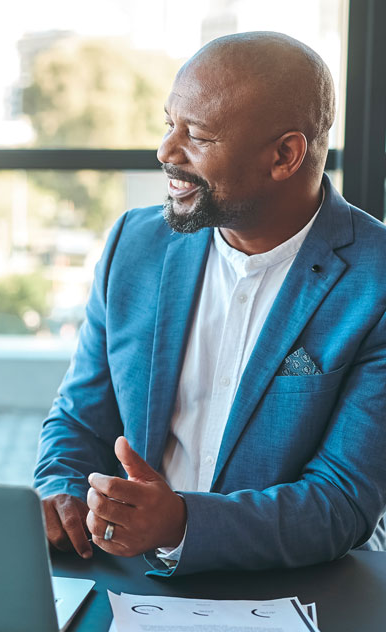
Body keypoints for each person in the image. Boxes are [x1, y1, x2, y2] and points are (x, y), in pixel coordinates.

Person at [35, 31, 386, 576]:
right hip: (122, 577)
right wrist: (59, 489)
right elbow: (80, 420)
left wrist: (181, 524)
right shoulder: (135, 244)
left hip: (296, 596)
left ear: (285, 155)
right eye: (168, 123)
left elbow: (341, 501)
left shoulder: (376, 281)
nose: (166, 151)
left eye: (195, 135)